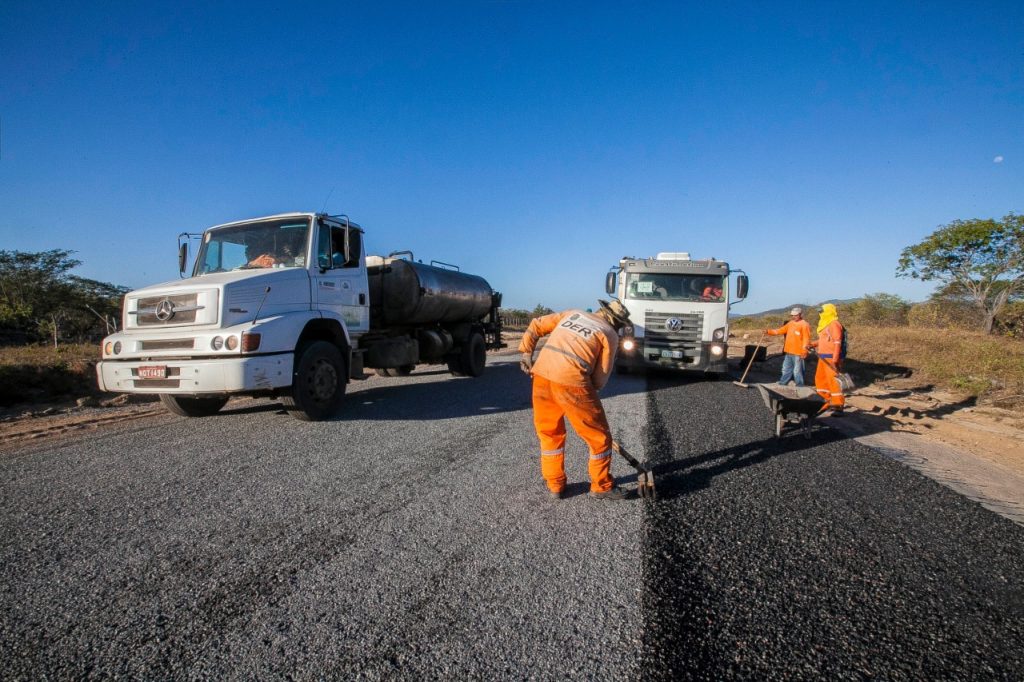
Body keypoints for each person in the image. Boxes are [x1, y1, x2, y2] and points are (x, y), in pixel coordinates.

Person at [519, 299, 632, 500]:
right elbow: (600, 379)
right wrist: (585, 395)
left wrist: (527, 352)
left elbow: (536, 324)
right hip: (572, 382)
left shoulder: (573, 314)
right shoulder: (609, 333)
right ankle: (602, 486)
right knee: (599, 438)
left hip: (542, 375)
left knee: (550, 433)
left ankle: (555, 485)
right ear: (615, 321)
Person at [810, 303, 847, 414]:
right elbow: (824, 340)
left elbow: (837, 342)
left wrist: (835, 358)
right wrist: (812, 344)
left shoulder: (834, 324)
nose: (820, 314)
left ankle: (838, 406)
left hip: (831, 358)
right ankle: (824, 402)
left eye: (822, 311)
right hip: (822, 357)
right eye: (820, 312)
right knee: (821, 380)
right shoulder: (824, 325)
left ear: (829, 311)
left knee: (834, 381)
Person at [764, 307, 811, 386]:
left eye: (795, 315)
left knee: (797, 371)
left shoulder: (804, 324)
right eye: (792, 315)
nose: (794, 317)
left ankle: (800, 385)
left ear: (800, 314)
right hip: (789, 351)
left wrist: (804, 351)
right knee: (786, 369)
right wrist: (769, 331)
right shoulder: (790, 323)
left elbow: (806, 339)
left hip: (798, 352)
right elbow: (780, 330)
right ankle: (783, 383)